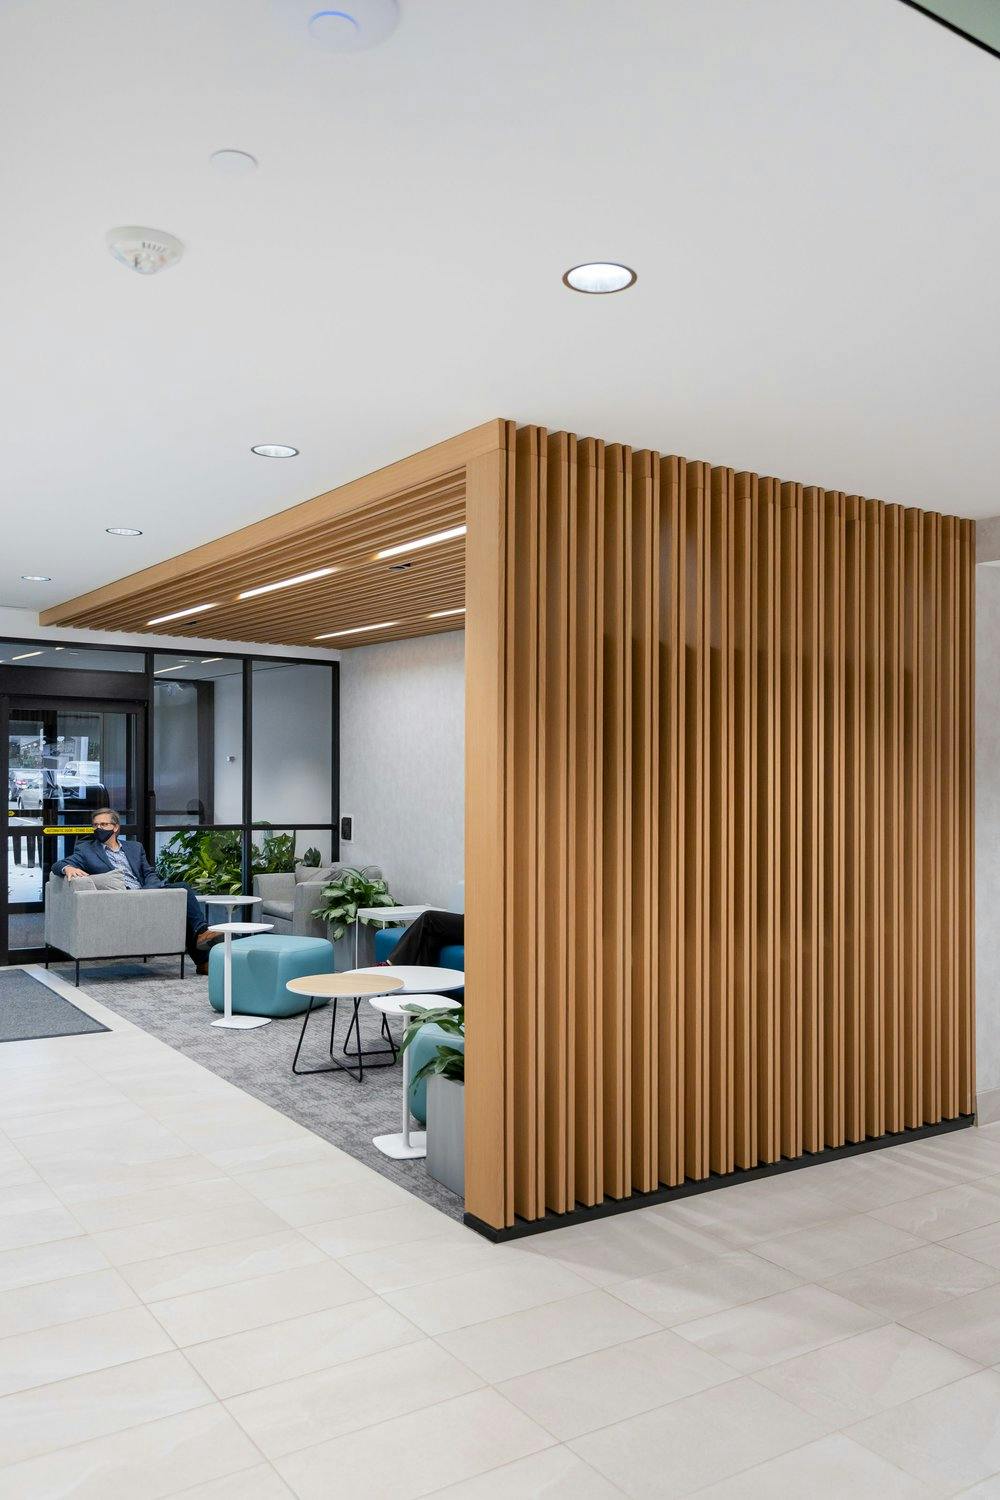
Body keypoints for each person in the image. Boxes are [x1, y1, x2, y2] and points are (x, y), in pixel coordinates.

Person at [53, 809, 223, 975]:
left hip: (147, 892)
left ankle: (202, 938)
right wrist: (67, 868)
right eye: (95, 825)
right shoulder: (86, 850)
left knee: (182, 891)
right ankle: (202, 951)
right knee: (179, 906)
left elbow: (148, 872)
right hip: (125, 901)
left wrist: (150, 890)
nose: (99, 828)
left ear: (115, 827)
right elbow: (58, 865)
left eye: (104, 824)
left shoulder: (134, 847)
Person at [382, 908, 464, 967]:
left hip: (474, 925)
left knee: (429, 917)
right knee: (430, 935)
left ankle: (393, 964)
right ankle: (421, 984)